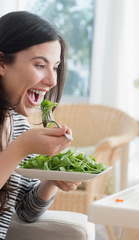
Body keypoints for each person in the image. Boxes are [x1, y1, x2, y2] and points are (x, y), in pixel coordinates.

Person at [0, 11, 83, 239]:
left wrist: (52, 178)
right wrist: (20, 148)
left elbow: (27, 212)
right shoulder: (23, 139)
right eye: (40, 65)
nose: (52, 80)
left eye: (55, 67)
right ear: (2, 63)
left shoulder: (19, 126)